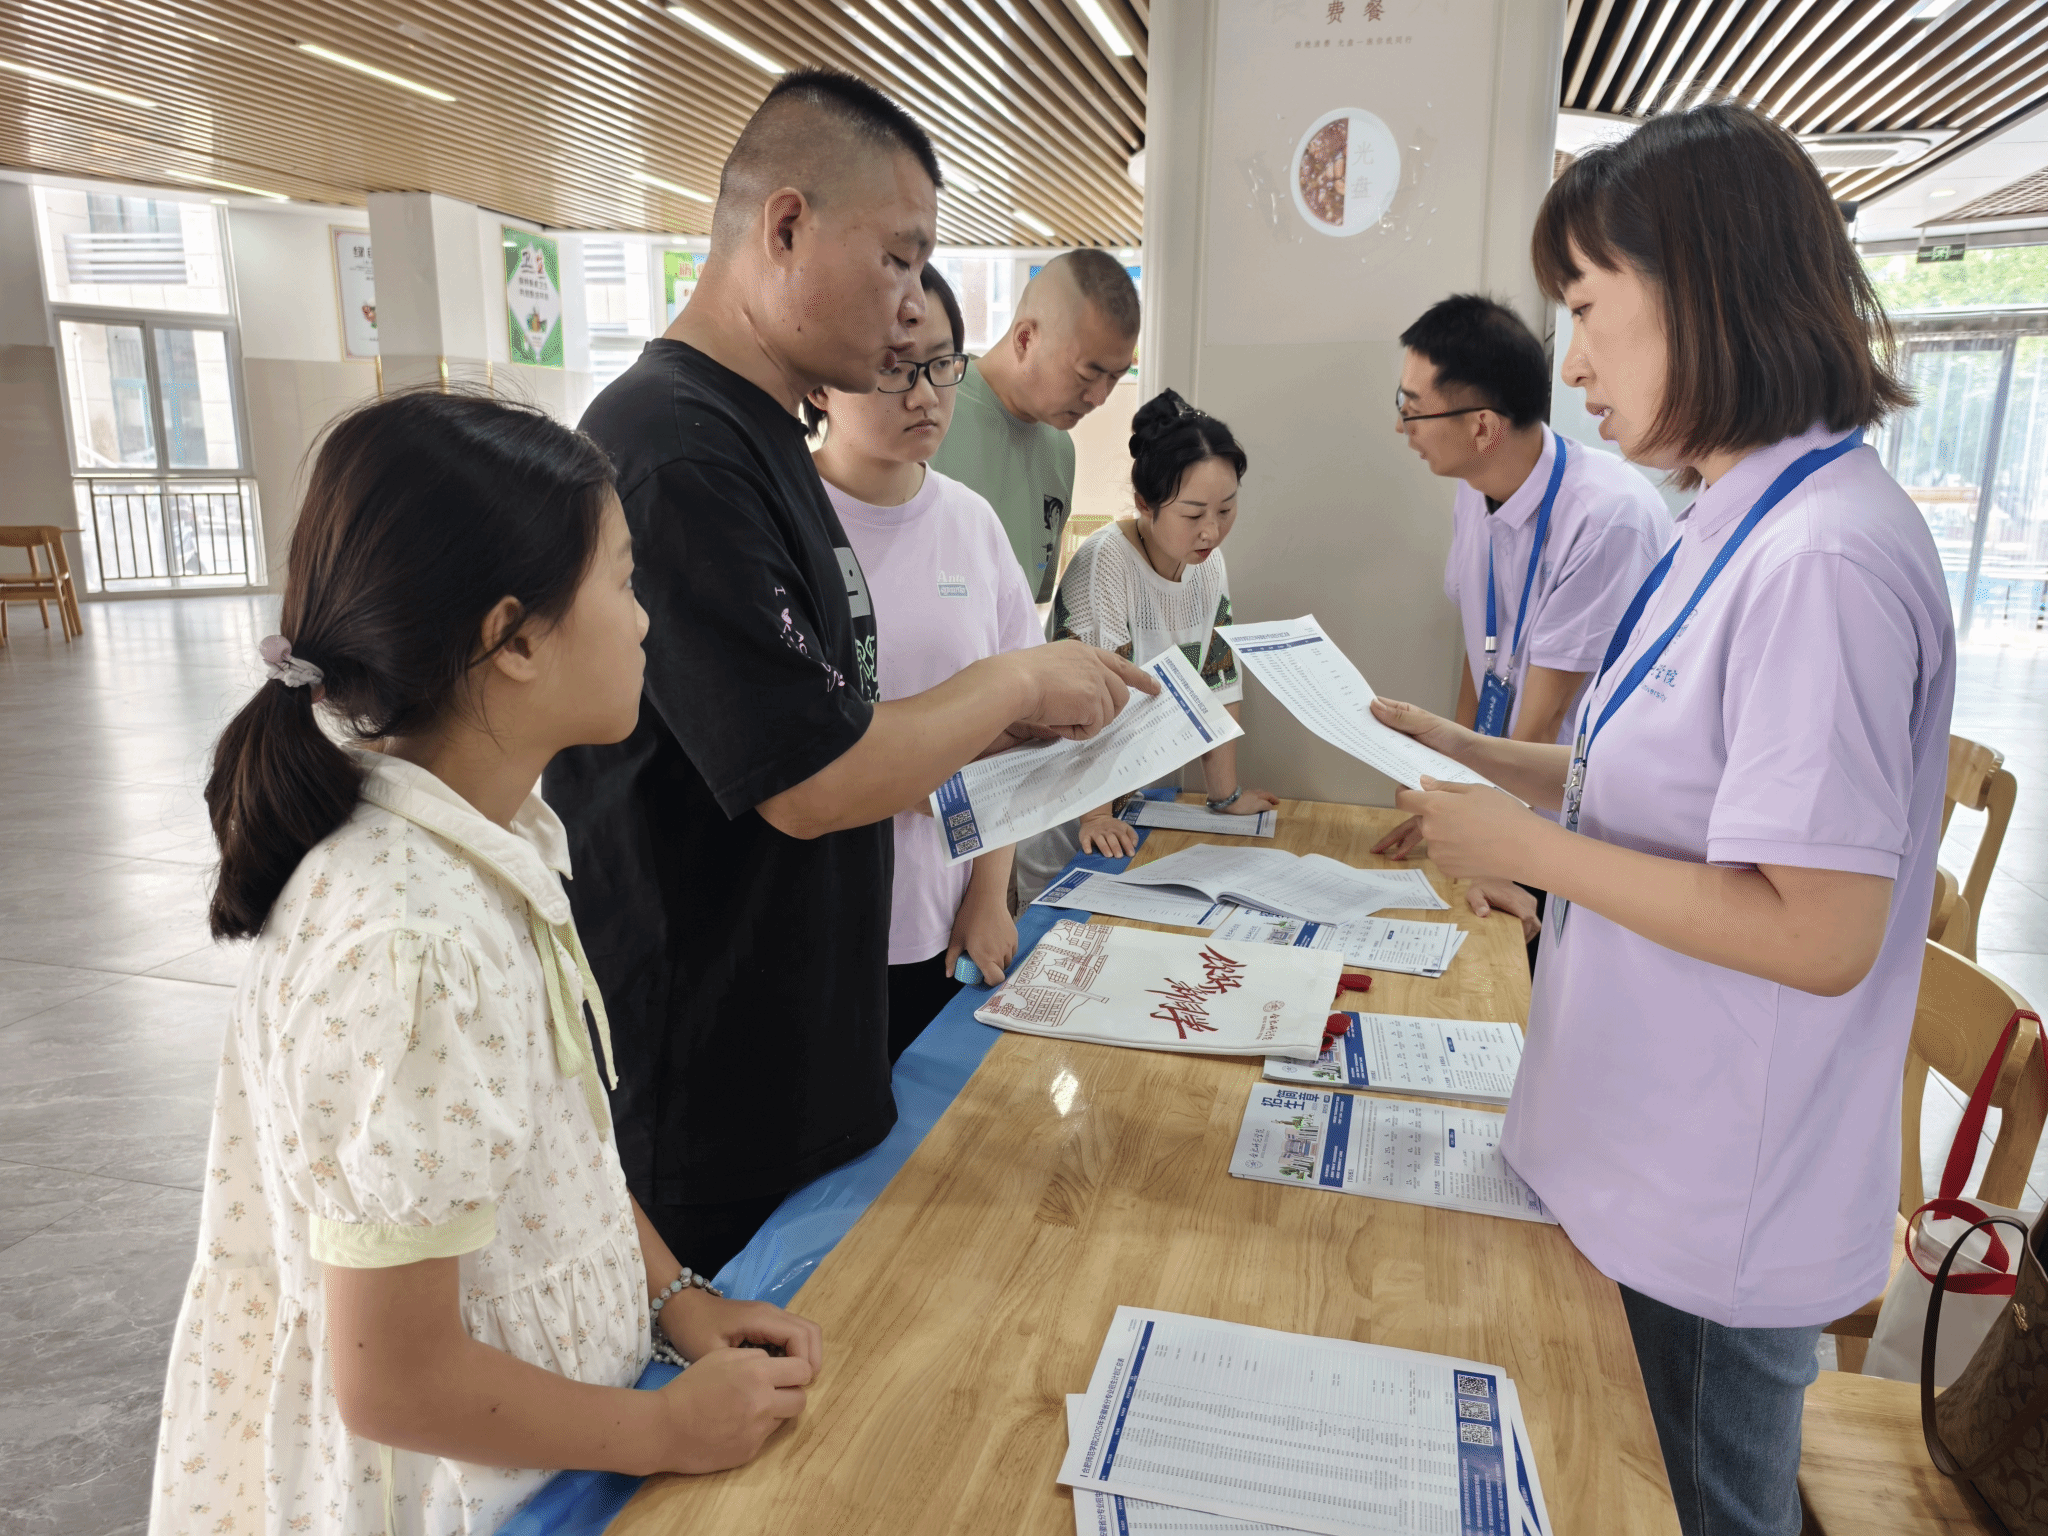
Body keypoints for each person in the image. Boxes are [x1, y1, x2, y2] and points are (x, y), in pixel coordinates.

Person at [1374, 103, 1949, 1536]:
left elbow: (1818, 930)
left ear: (1700, 289)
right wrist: (1474, 756)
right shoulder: (1731, 512)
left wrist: (1524, 851)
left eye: (1585, 309)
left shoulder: (1821, 559)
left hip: (1714, 1189)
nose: (1571, 362)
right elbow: (1663, 789)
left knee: (1697, 1506)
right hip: (1641, 1137)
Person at [153, 393, 822, 1536]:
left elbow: (551, 1143)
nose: (645, 620)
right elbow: (397, 1383)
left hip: (551, 1434)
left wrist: (674, 1298)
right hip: (465, 1491)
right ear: (511, 638)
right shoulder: (409, 947)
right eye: (623, 581)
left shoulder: (486, 841)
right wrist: (665, 1431)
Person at [542, 70, 1153, 1277]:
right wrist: (1015, 685)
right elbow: (810, 778)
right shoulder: (677, 453)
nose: (909, 305)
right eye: (896, 259)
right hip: (711, 1062)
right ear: (784, 227)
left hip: (804, 1031)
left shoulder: (759, 434)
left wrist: (1005, 734)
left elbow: (833, 715)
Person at [1376, 295, 1669, 952]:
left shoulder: (1605, 517)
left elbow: (1541, 720)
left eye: (1412, 407)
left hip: (1572, 838)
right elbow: (1483, 649)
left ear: (1483, 427)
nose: (1402, 426)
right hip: (1506, 804)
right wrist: (1446, 794)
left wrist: (1483, 843)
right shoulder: (1475, 488)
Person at [804, 264, 1042, 1061]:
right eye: (893, 369)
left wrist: (989, 893)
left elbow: (1022, 735)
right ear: (820, 383)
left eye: (942, 365)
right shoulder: (785, 527)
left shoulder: (973, 524)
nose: (925, 396)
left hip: (947, 924)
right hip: (817, 927)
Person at [1038, 388, 1274, 874]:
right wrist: (1096, 814)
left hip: (1128, 801)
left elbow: (1219, 680)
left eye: (1226, 510)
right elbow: (1086, 700)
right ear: (1145, 504)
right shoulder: (1106, 562)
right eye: (1193, 514)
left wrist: (1224, 796)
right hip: (1067, 805)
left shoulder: (1206, 564)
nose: (1212, 531)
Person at [929, 249, 1140, 599]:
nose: (1099, 398)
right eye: (1087, 374)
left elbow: (1029, 598)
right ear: (1025, 339)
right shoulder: (930, 409)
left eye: (1115, 378)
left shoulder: (1060, 450)